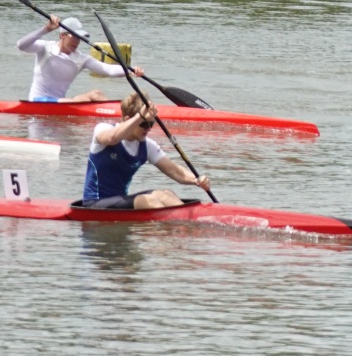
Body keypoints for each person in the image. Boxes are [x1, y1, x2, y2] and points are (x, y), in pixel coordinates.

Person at [76, 94, 209, 210]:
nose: (148, 129)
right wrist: (139, 116)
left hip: (120, 201)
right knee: (147, 200)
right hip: (94, 204)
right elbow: (112, 138)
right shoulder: (103, 129)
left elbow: (175, 171)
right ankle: (173, 224)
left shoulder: (147, 145)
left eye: (151, 124)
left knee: (166, 194)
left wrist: (196, 180)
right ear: (128, 120)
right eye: (144, 124)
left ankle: (187, 224)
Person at [17, 15, 143, 103]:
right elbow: (21, 45)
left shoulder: (81, 59)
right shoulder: (45, 48)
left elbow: (108, 69)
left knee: (97, 94)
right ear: (62, 35)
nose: (77, 41)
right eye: (74, 36)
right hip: (38, 101)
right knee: (87, 98)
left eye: (80, 38)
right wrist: (46, 29)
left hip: (60, 102)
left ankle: (117, 116)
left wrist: (131, 70)